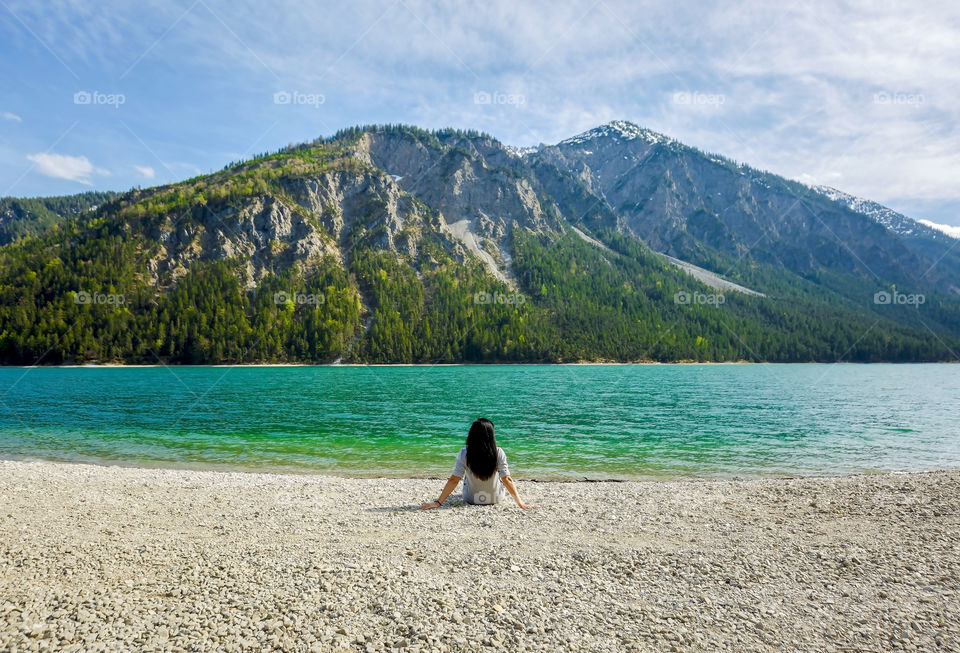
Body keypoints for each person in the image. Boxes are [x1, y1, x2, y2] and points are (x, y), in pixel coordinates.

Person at [419, 418, 536, 510]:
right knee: (500, 478)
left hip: (471, 499)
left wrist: (438, 502)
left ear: (471, 435)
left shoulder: (464, 453)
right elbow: (507, 479)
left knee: (464, 477)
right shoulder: (499, 452)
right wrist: (521, 503)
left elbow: (454, 480)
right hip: (495, 498)